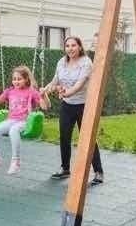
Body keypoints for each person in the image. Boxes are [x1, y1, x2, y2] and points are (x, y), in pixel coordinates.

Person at [42, 35, 104, 185]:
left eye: (73, 45)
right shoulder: (61, 62)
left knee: (88, 139)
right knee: (64, 137)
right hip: (67, 106)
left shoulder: (86, 62)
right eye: (67, 46)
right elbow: (55, 80)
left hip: (84, 105)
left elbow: (79, 85)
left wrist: (65, 93)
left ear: (80, 47)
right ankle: (65, 169)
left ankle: (98, 171)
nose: (70, 48)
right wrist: (46, 89)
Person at [0, 66, 48, 174]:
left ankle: (16, 161)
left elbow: (45, 107)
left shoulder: (31, 92)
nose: (16, 81)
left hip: (24, 121)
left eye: (19, 79)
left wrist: (43, 96)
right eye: (14, 79)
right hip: (11, 120)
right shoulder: (10, 91)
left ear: (26, 79)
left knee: (13, 130)